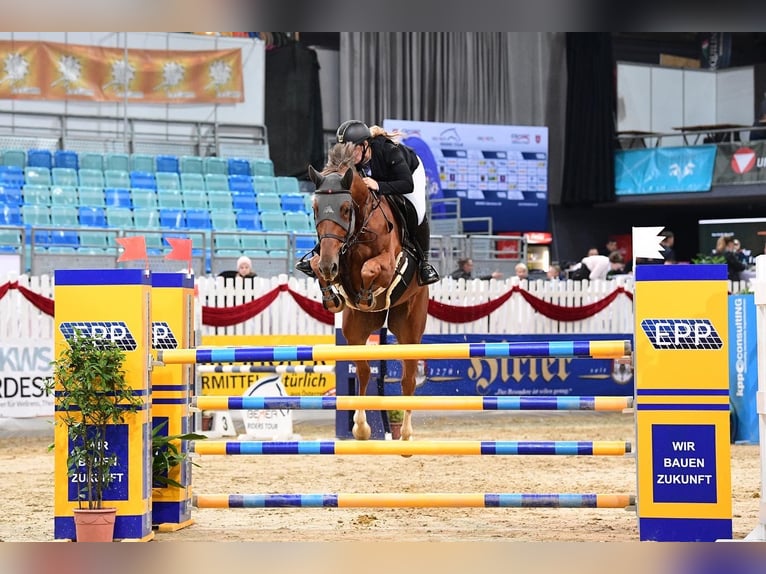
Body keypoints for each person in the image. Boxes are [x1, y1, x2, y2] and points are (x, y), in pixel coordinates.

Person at [296, 120, 440, 286]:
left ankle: (424, 264)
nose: (348, 154)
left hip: (408, 176)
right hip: (378, 179)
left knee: (417, 212)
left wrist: (378, 185)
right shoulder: (353, 159)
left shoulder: (389, 151)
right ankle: (317, 251)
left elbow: (407, 184)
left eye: (353, 149)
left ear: (365, 145)